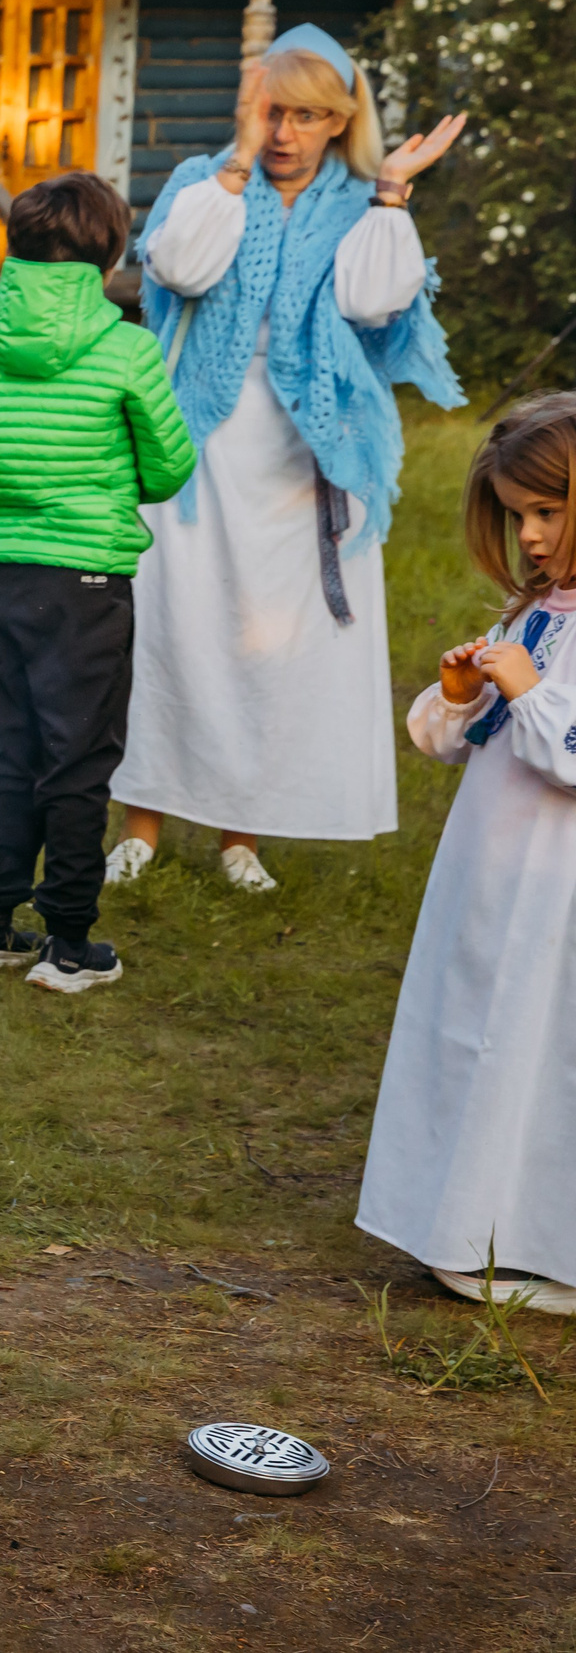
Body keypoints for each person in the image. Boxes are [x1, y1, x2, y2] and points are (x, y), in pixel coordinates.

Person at [108, 25, 466, 894]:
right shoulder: (207, 181)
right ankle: (142, 826)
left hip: (312, 446)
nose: (286, 133)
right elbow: (178, 269)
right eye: (275, 111)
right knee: (172, 625)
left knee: (276, 640)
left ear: (340, 122)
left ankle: (243, 834)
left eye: (309, 116)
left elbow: (374, 302)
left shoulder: (357, 201)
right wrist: (232, 165)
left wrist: (389, 195)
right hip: (198, 435)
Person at [0, 172, 196, 993]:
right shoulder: (127, 349)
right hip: (89, 582)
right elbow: (169, 463)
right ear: (112, 252)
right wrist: (111, 487)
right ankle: (70, 941)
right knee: (76, 754)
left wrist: (9, 492)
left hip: (4, 576)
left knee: (1, 746)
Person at [355, 394, 576, 1318]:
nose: (527, 535)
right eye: (516, 513)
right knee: (471, 1031)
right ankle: (461, 1218)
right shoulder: (535, 610)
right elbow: (459, 741)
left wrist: (531, 694)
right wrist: (457, 693)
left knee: (537, 1049)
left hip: (556, 888)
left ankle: (536, 1237)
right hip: (490, 872)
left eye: (548, 511)